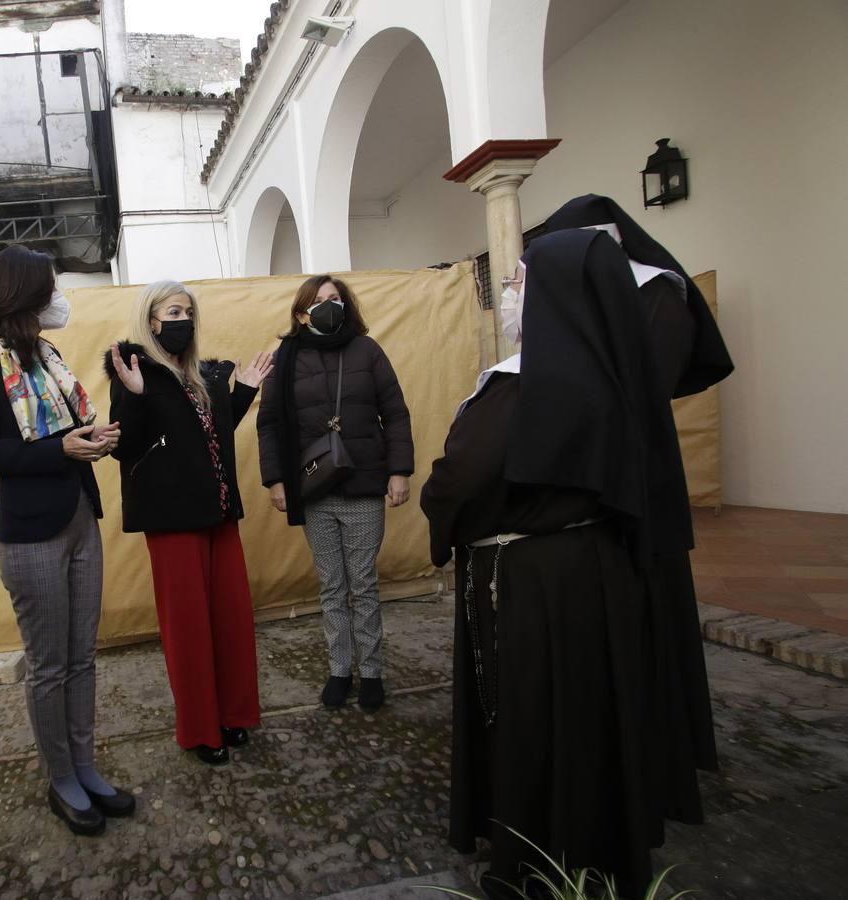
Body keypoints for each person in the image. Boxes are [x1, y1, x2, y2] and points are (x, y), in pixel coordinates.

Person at [421, 229, 672, 897]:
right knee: (587, 716)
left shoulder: (521, 387)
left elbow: (461, 479)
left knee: (534, 719)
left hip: (531, 587)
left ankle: (534, 847)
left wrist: (439, 512)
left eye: (518, 282)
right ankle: (591, 834)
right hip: (595, 575)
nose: (508, 295)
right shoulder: (611, 374)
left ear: (554, 295)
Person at [541, 194, 734, 834]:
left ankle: (658, 762)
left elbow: (633, 393)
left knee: (650, 621)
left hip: (638, 478)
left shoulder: (660, 298)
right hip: (599, 481)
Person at [0, 245, 133, 837]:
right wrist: (62, 448)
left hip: (80, 513)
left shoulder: (47, 355)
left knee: (82, 656)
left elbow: (63, 432)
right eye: (50, 286)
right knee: (49, 664)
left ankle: (86, 766)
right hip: (31, 531)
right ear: (24, 292)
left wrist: (92, 437)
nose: (58, 297)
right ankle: (61, 777)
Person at [103, 281, 274, 765]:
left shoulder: (202, 373)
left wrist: (243, 393)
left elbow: (210, 435)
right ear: (151, 319)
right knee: (189, 629)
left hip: (218, 511)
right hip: (173, 519)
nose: (184, 319)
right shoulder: (136, 372)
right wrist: (134, 396)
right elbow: (126, 447)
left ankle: (233, 714)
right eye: (173, 310)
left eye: (189, 311)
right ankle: (200, 728)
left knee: (231, 620)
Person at [255, 275, 414, 711]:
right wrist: (276, 479)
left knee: (362, 584)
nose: (329, 306)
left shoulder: (368, 350)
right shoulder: (286, 358)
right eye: (319, 301)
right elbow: (268, 424)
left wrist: (399, 471)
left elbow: (395, 414)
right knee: (331, 585)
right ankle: (340, 669)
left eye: (335, 299)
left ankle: (373, 672)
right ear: (302, 313)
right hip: (314, 487)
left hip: (364, 484)